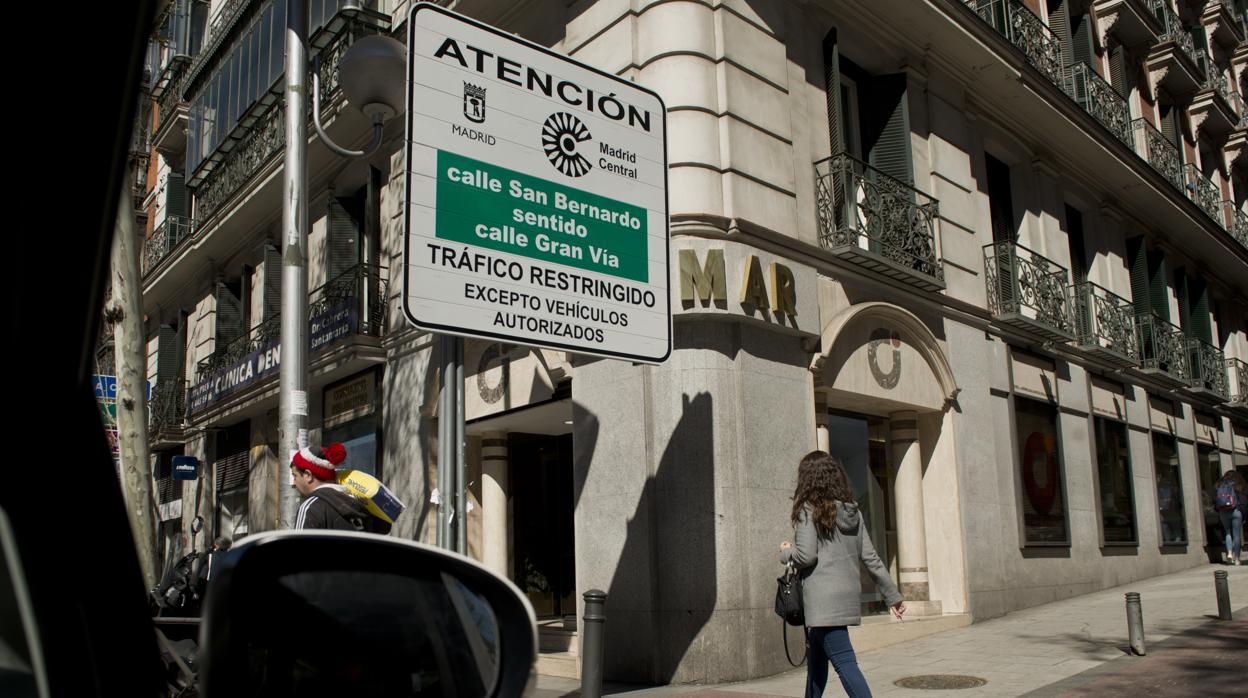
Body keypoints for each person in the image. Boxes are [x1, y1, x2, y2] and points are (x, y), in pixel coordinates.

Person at [780, 451, 905, 698]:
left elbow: (806, 556)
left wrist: (785, 553)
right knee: (817, 664)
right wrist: (893, 596)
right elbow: (871, 558)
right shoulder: (853, 513)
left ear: (807, 479)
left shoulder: (808, 510)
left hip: (823, 601)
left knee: (845, 663)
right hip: (845, 596)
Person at [291, 443, 389, 533]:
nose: (294, 482)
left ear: (308, 475)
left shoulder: (310, 508)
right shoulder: (359, 504)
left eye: (295, 476)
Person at [1216, 470, 1247, 565]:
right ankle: (1237, 559)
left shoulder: (1220, 484)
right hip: (1236, 511)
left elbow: (1216, 499)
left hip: (1223, 511)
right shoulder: (1239, 485)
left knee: (1227, 532)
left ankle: (1229, 553)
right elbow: (1245, 499)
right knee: (1237, 535)